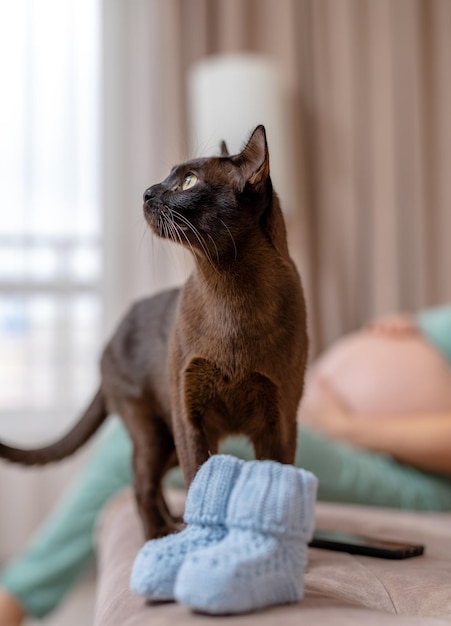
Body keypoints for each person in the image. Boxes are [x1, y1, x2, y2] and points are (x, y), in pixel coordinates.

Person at [0, 303, 451, 625]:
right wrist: (418, 327)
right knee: (163, 412)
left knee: (155, 428)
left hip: (399, 468)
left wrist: (345, 425)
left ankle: (13, 598)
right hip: (337, 423)